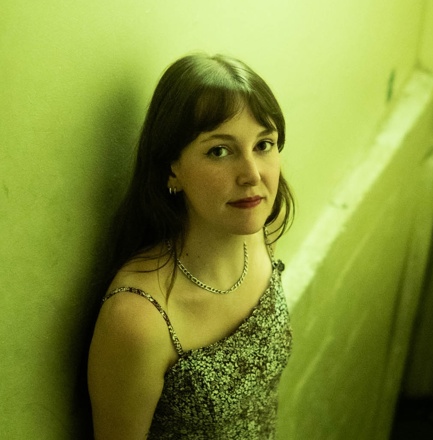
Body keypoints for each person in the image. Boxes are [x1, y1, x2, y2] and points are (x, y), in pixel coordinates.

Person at [87, 53, 294, 440]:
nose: (252, 175)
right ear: (172, 169)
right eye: (220, 151)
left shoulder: (254, 233)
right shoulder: (138, 319)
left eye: (264, 144)